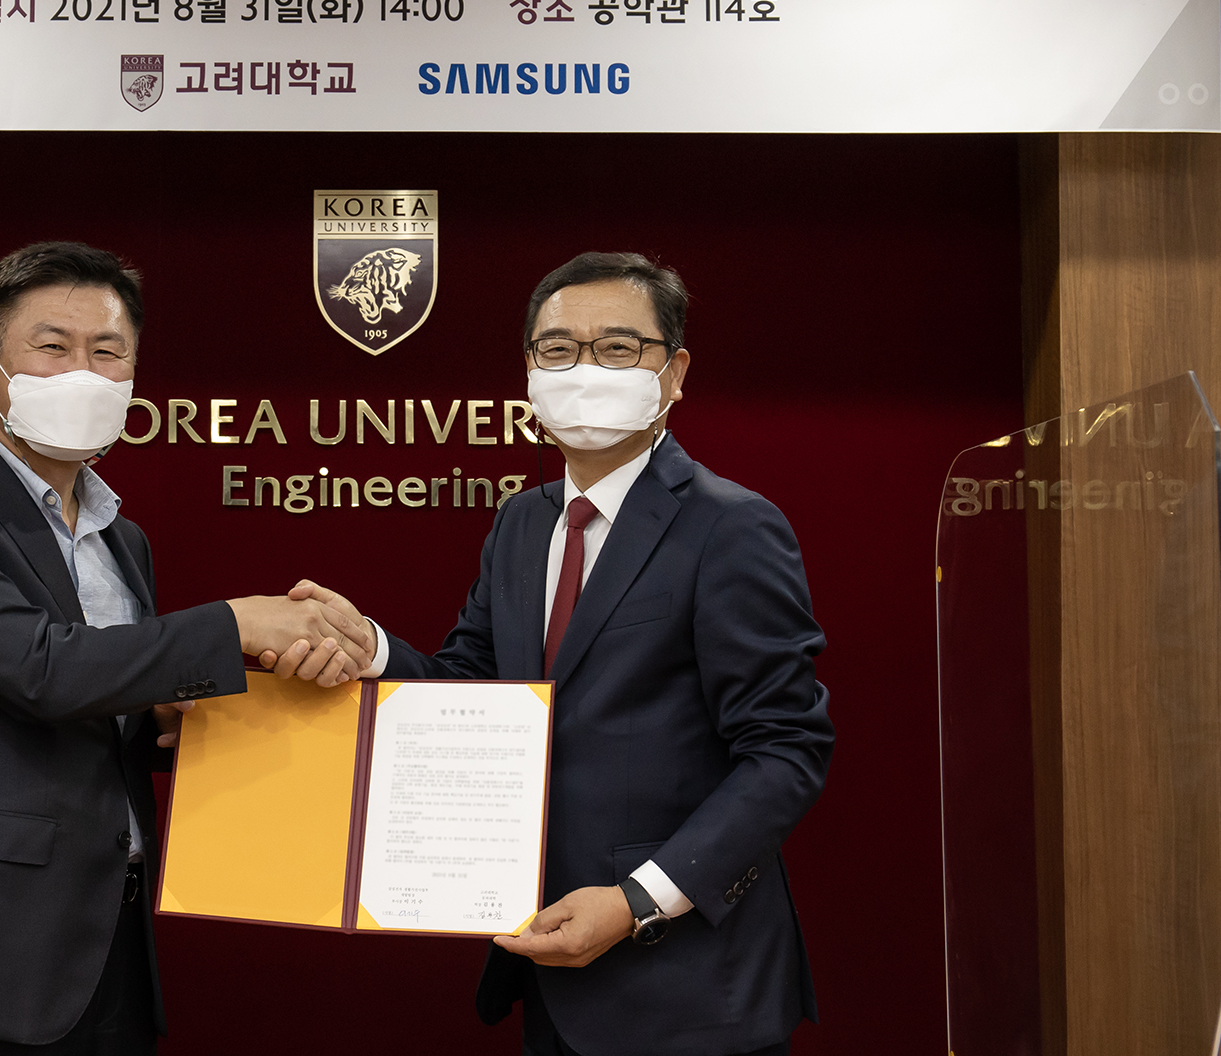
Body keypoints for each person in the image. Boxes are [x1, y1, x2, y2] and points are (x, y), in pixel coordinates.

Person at [0, 241, 373, 1055]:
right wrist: (237, 623)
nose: (83, 373)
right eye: (53, 347)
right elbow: (42, 670)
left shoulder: (124, 539)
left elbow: (106, 705)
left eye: (107, 352)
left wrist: (180, 720)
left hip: (110, 946)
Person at [291, 252, 834, 1056]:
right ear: (529, 374)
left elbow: (786, 751)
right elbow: (473, 690)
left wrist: (638, 901)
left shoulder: (732, 526)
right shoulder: (523, 523)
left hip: (687, 985)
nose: (584, 370)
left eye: (617, 348)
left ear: (675, 372)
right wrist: (370, 649)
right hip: (548, 965)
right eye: (558, 349)